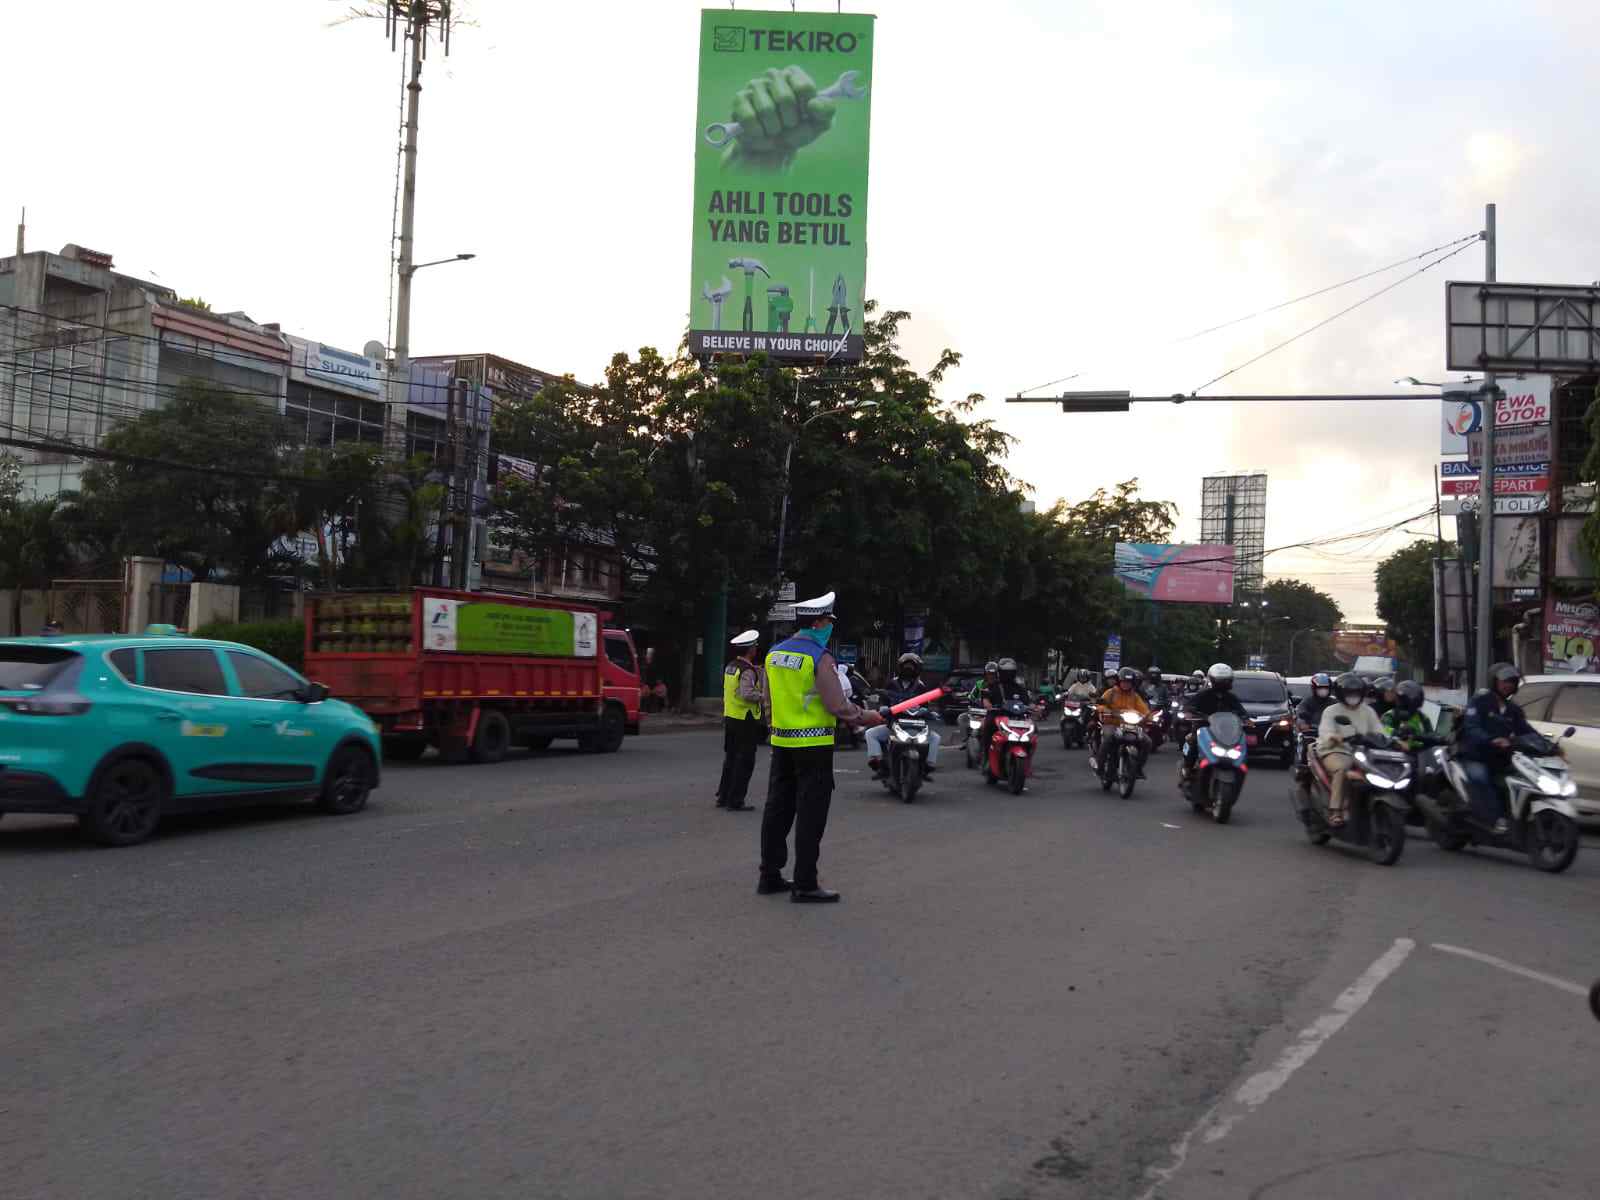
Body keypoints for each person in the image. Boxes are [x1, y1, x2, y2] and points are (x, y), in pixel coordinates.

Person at [759, 591, 882, 903]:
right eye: (828, 621)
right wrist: (867, 717)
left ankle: (769, 875)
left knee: (778, 808)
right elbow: (837, 705)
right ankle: (805, 883)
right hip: (813, 745)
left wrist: (775, 730)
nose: (830, 627)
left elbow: (767, 700)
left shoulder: (773, 655)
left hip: (782, 742)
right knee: (811, 813)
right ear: (817, 622)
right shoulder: (819, 657)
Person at [1457, 662, 1536, 835]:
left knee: (1524, 780)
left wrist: (1551, 747)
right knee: (1481, 777)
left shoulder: (1514, 710)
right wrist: (1492, 740)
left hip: (1502, 758)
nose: (1509, 685)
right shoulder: (1479, 702)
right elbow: (1472, 727)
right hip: (1476, 756)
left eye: (1513, 681)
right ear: (1494, 682)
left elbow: (1528, 731)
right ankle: (1495, 819)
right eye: (1505, 681)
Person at [1315, 673, 1386, 827]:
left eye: (1356, 693)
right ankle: (1335, 811)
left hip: (1362, 752)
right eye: (1349, 693)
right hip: (1335, 750)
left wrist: (1385, 739)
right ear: (1341, 693)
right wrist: (1334, 736)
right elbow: (1325, 732)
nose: (1353, 696)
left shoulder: (1368, 711)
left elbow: (1379, 731)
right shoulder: (1331, 711)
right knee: (1342, 769)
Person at [867, 652, 941, 777]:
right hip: (894, 725)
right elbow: (884, 699)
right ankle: (879, 761)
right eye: (906, 666)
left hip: (918, 727)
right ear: (900, 667)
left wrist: (930, 713)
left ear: (917, 669)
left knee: (935, 738)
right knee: (870, 733)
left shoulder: (921, 687)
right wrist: (884, 708)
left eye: (912, 667)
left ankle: (929, 764)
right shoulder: (892, 683)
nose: (908, 669)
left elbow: (925, 706)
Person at [715, 629, 765, 811]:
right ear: (750, 650)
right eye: (755, 646)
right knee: (745, 761)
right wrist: (764, 695)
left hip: (731, 717)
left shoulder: (731, 666)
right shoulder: (747, 670)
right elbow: (746, 693)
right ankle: (736, 800)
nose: (756, 649)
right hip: (745, 719)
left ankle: (723, 796)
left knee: (730, 758)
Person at [1180, 663, 1249, 781]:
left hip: (1225, 730)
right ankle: (1188, 768)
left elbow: (1241, 711)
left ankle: (1236, 768)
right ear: (1212, 680)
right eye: (1220, 681)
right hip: (1203, 727)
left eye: (1225, 681)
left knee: (1240, 744)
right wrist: (1190, 712)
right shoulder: (1203, 694)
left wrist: (1246, 719)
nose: (1222, 684)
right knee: (1193, 741)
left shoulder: (1231, 697)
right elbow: (1189, 706)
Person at [1092, 666, 1152, 776]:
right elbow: (1100, 704)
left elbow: (1144, 709)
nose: (1126, 684)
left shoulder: (1135, 696)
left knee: (1147, 742)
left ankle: (1138, 768)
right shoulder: (1111, 692)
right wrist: (1105, 710)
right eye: (1124, 681)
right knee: (1108, 738)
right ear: (1119, 681)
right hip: (1112, 723)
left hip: (1130, 725)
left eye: (1129, 682)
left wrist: (1149, 717)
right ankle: (1099, 766)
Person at [1293, 672, 1335, 770]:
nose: (1323, 690)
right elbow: (1300, 713)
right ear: (1314, 688)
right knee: (1307, 743)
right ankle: (1304, 767)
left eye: (1325, 688)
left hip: (1331, 734)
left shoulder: (1334, 703)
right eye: (1320, 688)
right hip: (1313, 732)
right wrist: (1303, 724)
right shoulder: (1308, 701)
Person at [1382, 679, 1434, 747]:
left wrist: (1418, 736)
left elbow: (1431, 736)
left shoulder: (1423, 718)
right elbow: (1383, 731)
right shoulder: (1390, 715)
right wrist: (1398, 733)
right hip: (1394, 753)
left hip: (1419, 754)